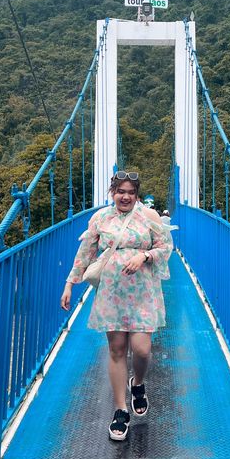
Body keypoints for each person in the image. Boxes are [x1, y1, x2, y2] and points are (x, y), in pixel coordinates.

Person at [60, 170, 173, 441]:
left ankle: (138, 383)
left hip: (143, 291)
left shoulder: (150, 217)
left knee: (141, 349)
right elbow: (86, 251)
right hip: (112, 292)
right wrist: (69, 283)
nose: (125, 197)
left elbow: (165, 247)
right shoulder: (100, 218)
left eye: (130, 193)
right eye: (120, 192)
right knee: (117, 349)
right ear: (113, 193)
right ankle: (120, 410)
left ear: (136, 195)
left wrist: (144, 256)